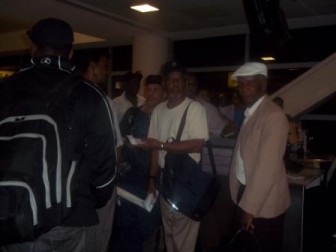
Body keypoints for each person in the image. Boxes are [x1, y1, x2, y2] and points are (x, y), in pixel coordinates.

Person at [0, 18, 117, 251]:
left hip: (11, 219)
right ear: (70, 53)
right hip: (71, 219)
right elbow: (105, 171)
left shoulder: (5, 89)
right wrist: (89, 201)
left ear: (33, 48)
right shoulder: (89, 95)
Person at [139, 61, 209, 252]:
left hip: (186, 183)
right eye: (171, 79)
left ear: (185, 83)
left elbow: (197, 145)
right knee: (169, 236)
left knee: (184, 241)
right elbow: (154, 149)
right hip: (165, 182)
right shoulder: (159, 110)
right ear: (165, 83)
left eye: (178, 80)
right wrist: (152, 181)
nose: (174, 83)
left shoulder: (194, 108)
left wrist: (162, 145)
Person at [229, 62, 290, 252]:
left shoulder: (273, 116)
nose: (244, 88)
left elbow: (267, 167)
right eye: (241, 84)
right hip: (245, 192)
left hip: (263, 202)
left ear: (263, 85)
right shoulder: (252, 112)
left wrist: (250, 208)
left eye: (250, 83)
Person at [74, 48, 123, 252]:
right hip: (96, 186)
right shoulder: (101, 100)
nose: (108, 72)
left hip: (68, 187)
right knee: (99, 238)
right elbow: (115, 148)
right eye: (104, 67)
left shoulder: (65, 95)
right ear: (92, 68)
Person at [111, 74, 165, 251]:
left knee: (147, 222)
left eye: (156, 90)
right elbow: (120, 142)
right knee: (124, 223)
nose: (151, 94)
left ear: (163, 92)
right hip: (128, 176)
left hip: (153, 178)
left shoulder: (166, 117)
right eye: (148, 89)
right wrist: (116, 167)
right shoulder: (132, 113)